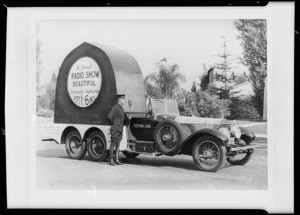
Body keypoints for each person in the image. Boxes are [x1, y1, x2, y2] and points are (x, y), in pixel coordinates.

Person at [107, 94, 131, 166]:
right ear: (119, 99)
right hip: (115, 129)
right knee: (113, 145)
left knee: (118, 145)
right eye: (123, 99)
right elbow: (109, 117)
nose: (124, 100)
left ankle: (117, 160)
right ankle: (111, 160)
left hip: (120, 130)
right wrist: (114, 124)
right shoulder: (115, 107)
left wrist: (128, 118)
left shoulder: (121, 108)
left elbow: (123, 121)